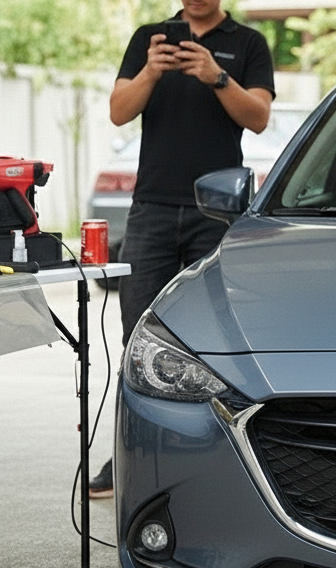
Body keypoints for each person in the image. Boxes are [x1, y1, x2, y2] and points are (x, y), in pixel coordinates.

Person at [89, 0, 276, 498]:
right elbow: (119, 111)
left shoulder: (248, 43)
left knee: (211, 342)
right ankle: (128, 455)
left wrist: (217, 76)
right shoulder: (150, 37)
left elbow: (259, 118)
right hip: (150, 207)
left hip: (216, 210)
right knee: (137, 338)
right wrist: (151, 70)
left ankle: (214, 458)